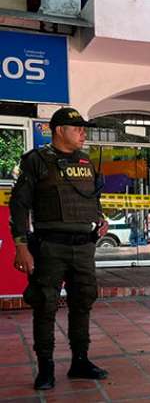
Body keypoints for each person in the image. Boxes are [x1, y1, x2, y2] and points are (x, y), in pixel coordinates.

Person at [9, 107, 109, 390]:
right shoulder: (37, 161)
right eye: (76, 128)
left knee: (83, 303)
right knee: (45, 305)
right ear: (58, 131)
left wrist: (100, 219)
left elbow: (92, 198)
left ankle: (80, 361)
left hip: (83, 247)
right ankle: (46, 368)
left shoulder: (86, 162)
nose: (82, 133)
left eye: (83, 129)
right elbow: (19, 206)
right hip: (49, 246)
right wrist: (21, 246)